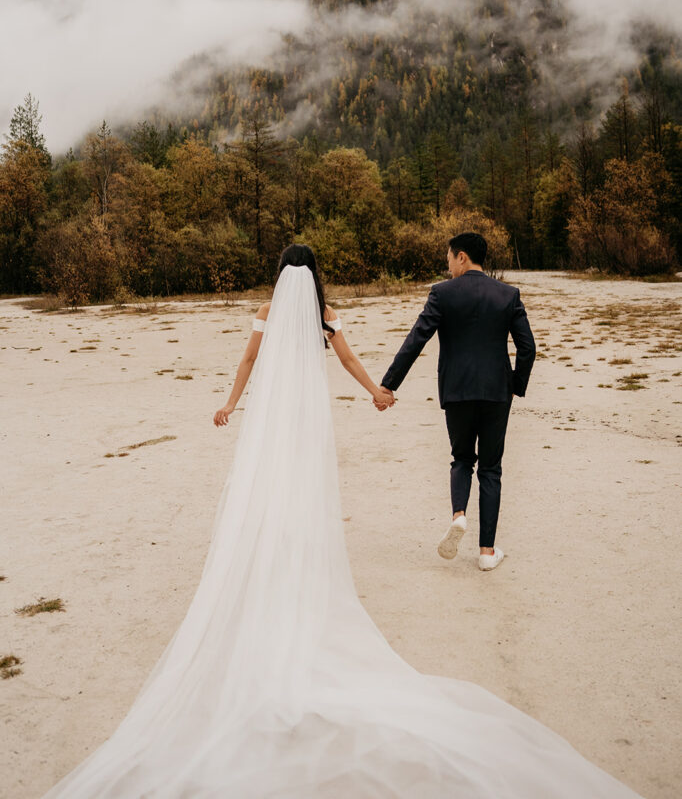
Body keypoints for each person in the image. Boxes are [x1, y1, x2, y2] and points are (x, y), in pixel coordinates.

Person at [40, 243, 641, 798]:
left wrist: (229, 404)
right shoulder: (323, 314)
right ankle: (430, 546)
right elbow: (350, 356)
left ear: (280, 274)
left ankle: (283, 553)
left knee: (272, 485)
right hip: (319, 422)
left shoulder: (267, 311)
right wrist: (379, 392)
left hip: (277, 423)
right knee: (354, 483)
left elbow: (250, 359)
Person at [378, 231, 536, 571]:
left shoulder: (442, 294)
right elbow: (528, 347)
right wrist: (515, 386)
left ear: (462, 256)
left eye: (449, 257)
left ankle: (459, 515)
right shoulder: (508, 294)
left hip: (457, 390)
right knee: (491, 469)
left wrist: (389, 384)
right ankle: (486, 552)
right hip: (496, 392)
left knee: (462, 458)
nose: (447, 264)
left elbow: (416, 339)